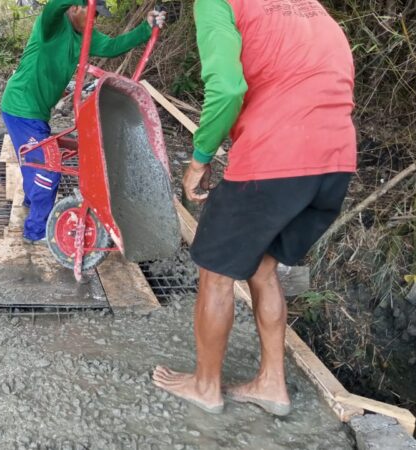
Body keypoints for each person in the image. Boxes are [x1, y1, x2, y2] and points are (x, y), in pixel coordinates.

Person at [151, 0, 356, 416]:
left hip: (275, 157)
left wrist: (200, 159)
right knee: (263, 266)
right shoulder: (311, 8)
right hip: (337, 160)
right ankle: (271, 383)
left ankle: (206, 386)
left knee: (216, 270)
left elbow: (227, 88)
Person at [0, 0, 166, 244]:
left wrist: (146, 27)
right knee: (47, 171)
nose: (95, 21)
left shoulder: (86, 35)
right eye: (92, 13)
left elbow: (113, 46)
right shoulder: (52, 26)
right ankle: (35, 233)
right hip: (21, 108)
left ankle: (31, 201)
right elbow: (53, 7)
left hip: (36, 113)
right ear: (75, 7)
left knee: (37, 159)